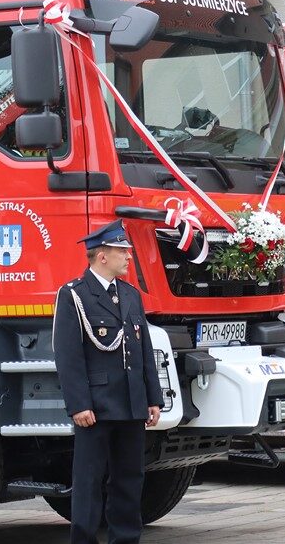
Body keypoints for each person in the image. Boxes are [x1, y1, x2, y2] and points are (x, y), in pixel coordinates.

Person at [53, 219, 164, 543]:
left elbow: (143, 349)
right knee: (88, 480)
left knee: (129, 479)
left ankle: (125, 538)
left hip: (130, 403)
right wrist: (79, 404)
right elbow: (68, 355)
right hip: (96, 407)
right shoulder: (74, 295)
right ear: (102, 256)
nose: (128, 256)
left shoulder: (130, 294)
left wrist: (152, 398)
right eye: (122, 251)